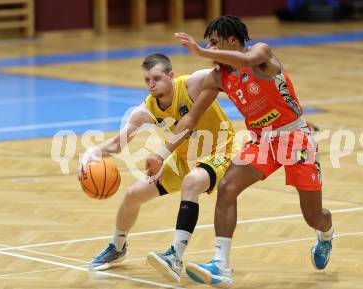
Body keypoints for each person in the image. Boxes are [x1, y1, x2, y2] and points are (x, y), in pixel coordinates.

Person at [146, 15, 334, 288]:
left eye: (213, 42)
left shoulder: (262, 55)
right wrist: (162, 153)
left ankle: (326, 234)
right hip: (261, 141)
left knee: (313, 217)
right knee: (227, 187)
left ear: (231, 41)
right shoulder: (217, 78)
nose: (208, 48)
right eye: (206, 44)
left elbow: (245, 62)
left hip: (295, 137)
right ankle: (221, 265)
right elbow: (190, 119)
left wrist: (199, 51)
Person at [78, 52, 235, 283]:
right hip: (182, 159)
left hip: (220, 151)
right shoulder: (146, 110)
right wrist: (92, 152)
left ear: (171, 76)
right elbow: (118, 143)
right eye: (147, 80)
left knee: (192, 182)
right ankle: (118, 246)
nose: (151, 84)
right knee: (133, 195)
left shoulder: (192, 84)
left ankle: (175, 256)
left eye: (157, 78)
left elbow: (222, 75)